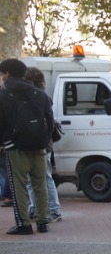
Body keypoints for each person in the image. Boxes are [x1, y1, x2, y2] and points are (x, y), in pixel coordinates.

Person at [1, 57, 56, 236]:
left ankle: (24, 223)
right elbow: (50, 120)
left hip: (14, 146)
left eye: (2, 73)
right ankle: (43, 222)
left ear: (7, 73)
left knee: (18, 186)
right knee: (40, 185)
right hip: (39, 145)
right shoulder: (40, 94)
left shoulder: (3, 94)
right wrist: (45, 140)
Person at [23, 67, 62, 222]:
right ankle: (39, 207)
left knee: (41, 177)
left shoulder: (38, 98)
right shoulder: (43, 96)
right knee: (40, 177)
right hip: (45, 142)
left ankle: (52, 209)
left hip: (41, 143)